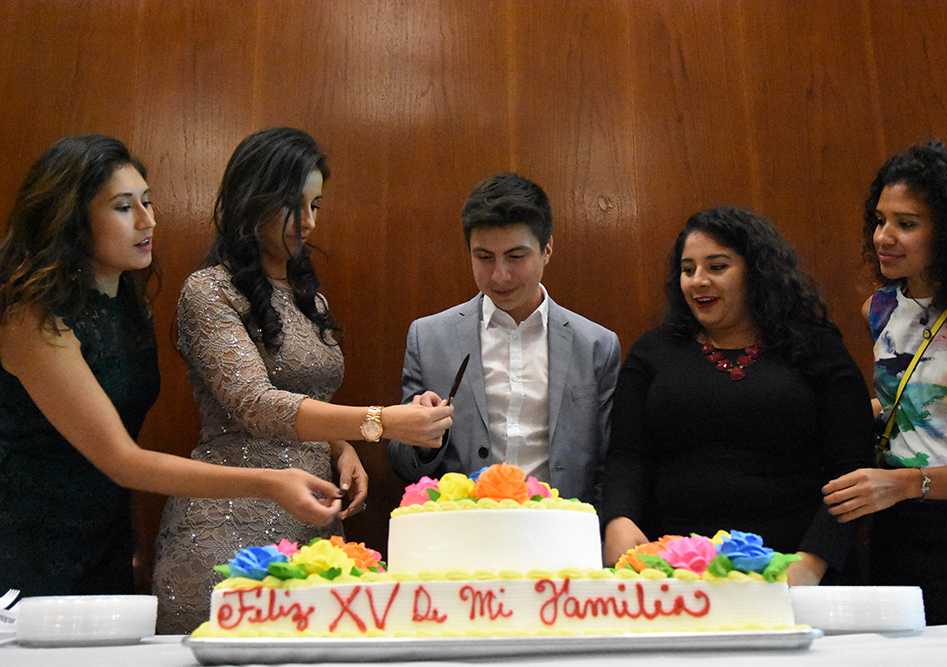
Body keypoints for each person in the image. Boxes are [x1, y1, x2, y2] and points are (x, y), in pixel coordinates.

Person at [0, 135, 347, 598]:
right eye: (124, 208)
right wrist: (270, 482)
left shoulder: (127, 302)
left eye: (147, 202)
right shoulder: (33, 317)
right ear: (72, 219)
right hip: (29, 533)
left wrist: (336, 440)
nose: (148, 221)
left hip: (105, 530)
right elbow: (123, 459)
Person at [151, 127, 452, 633]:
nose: (309, 223)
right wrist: (378, 423)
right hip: (227, 525)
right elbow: (255, 403)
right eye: (297, 206)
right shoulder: (207, 291)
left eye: (318, 206)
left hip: (312, 524)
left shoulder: (308, 296)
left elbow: (303, 394)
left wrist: (338, 444)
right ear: (254, 199)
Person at [602, 207, 872, 583]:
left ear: (755, 271)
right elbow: (626, 457)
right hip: (674, 571)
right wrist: (618, 520)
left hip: (794, 566)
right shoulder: (653, 352)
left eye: (716, 267)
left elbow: (851, 468)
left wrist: (814, 559)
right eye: (688, 269)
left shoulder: (816, 348)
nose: (698, 281)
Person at [823, 141, 947, 624]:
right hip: (896, 523)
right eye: (880, 220)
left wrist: (911, 483)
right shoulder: (878, 310)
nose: (884, 237)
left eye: (906, 223)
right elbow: (911, 402)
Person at [386, 173, 620, 507]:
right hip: (464, 530)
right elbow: (403, 464)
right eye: (483, 257)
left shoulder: (596, 344)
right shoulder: (429, 337)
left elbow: (607, 464)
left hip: (559, 531)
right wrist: (420, 437)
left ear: (547, 249)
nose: (499, 275)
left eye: (515, 256)